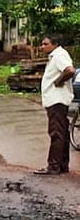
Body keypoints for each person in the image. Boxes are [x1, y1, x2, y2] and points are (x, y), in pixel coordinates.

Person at [35, 35, 76, 175]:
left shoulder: (59, 55)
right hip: (56, 100)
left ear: (55, 44)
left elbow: (70, 70)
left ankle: (53, 166)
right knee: (62, 133)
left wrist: (58, 81)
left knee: (56, 133)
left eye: (45, 44)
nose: (42, 46)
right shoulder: (55, 56)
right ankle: (62, 165)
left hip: (57, 100)